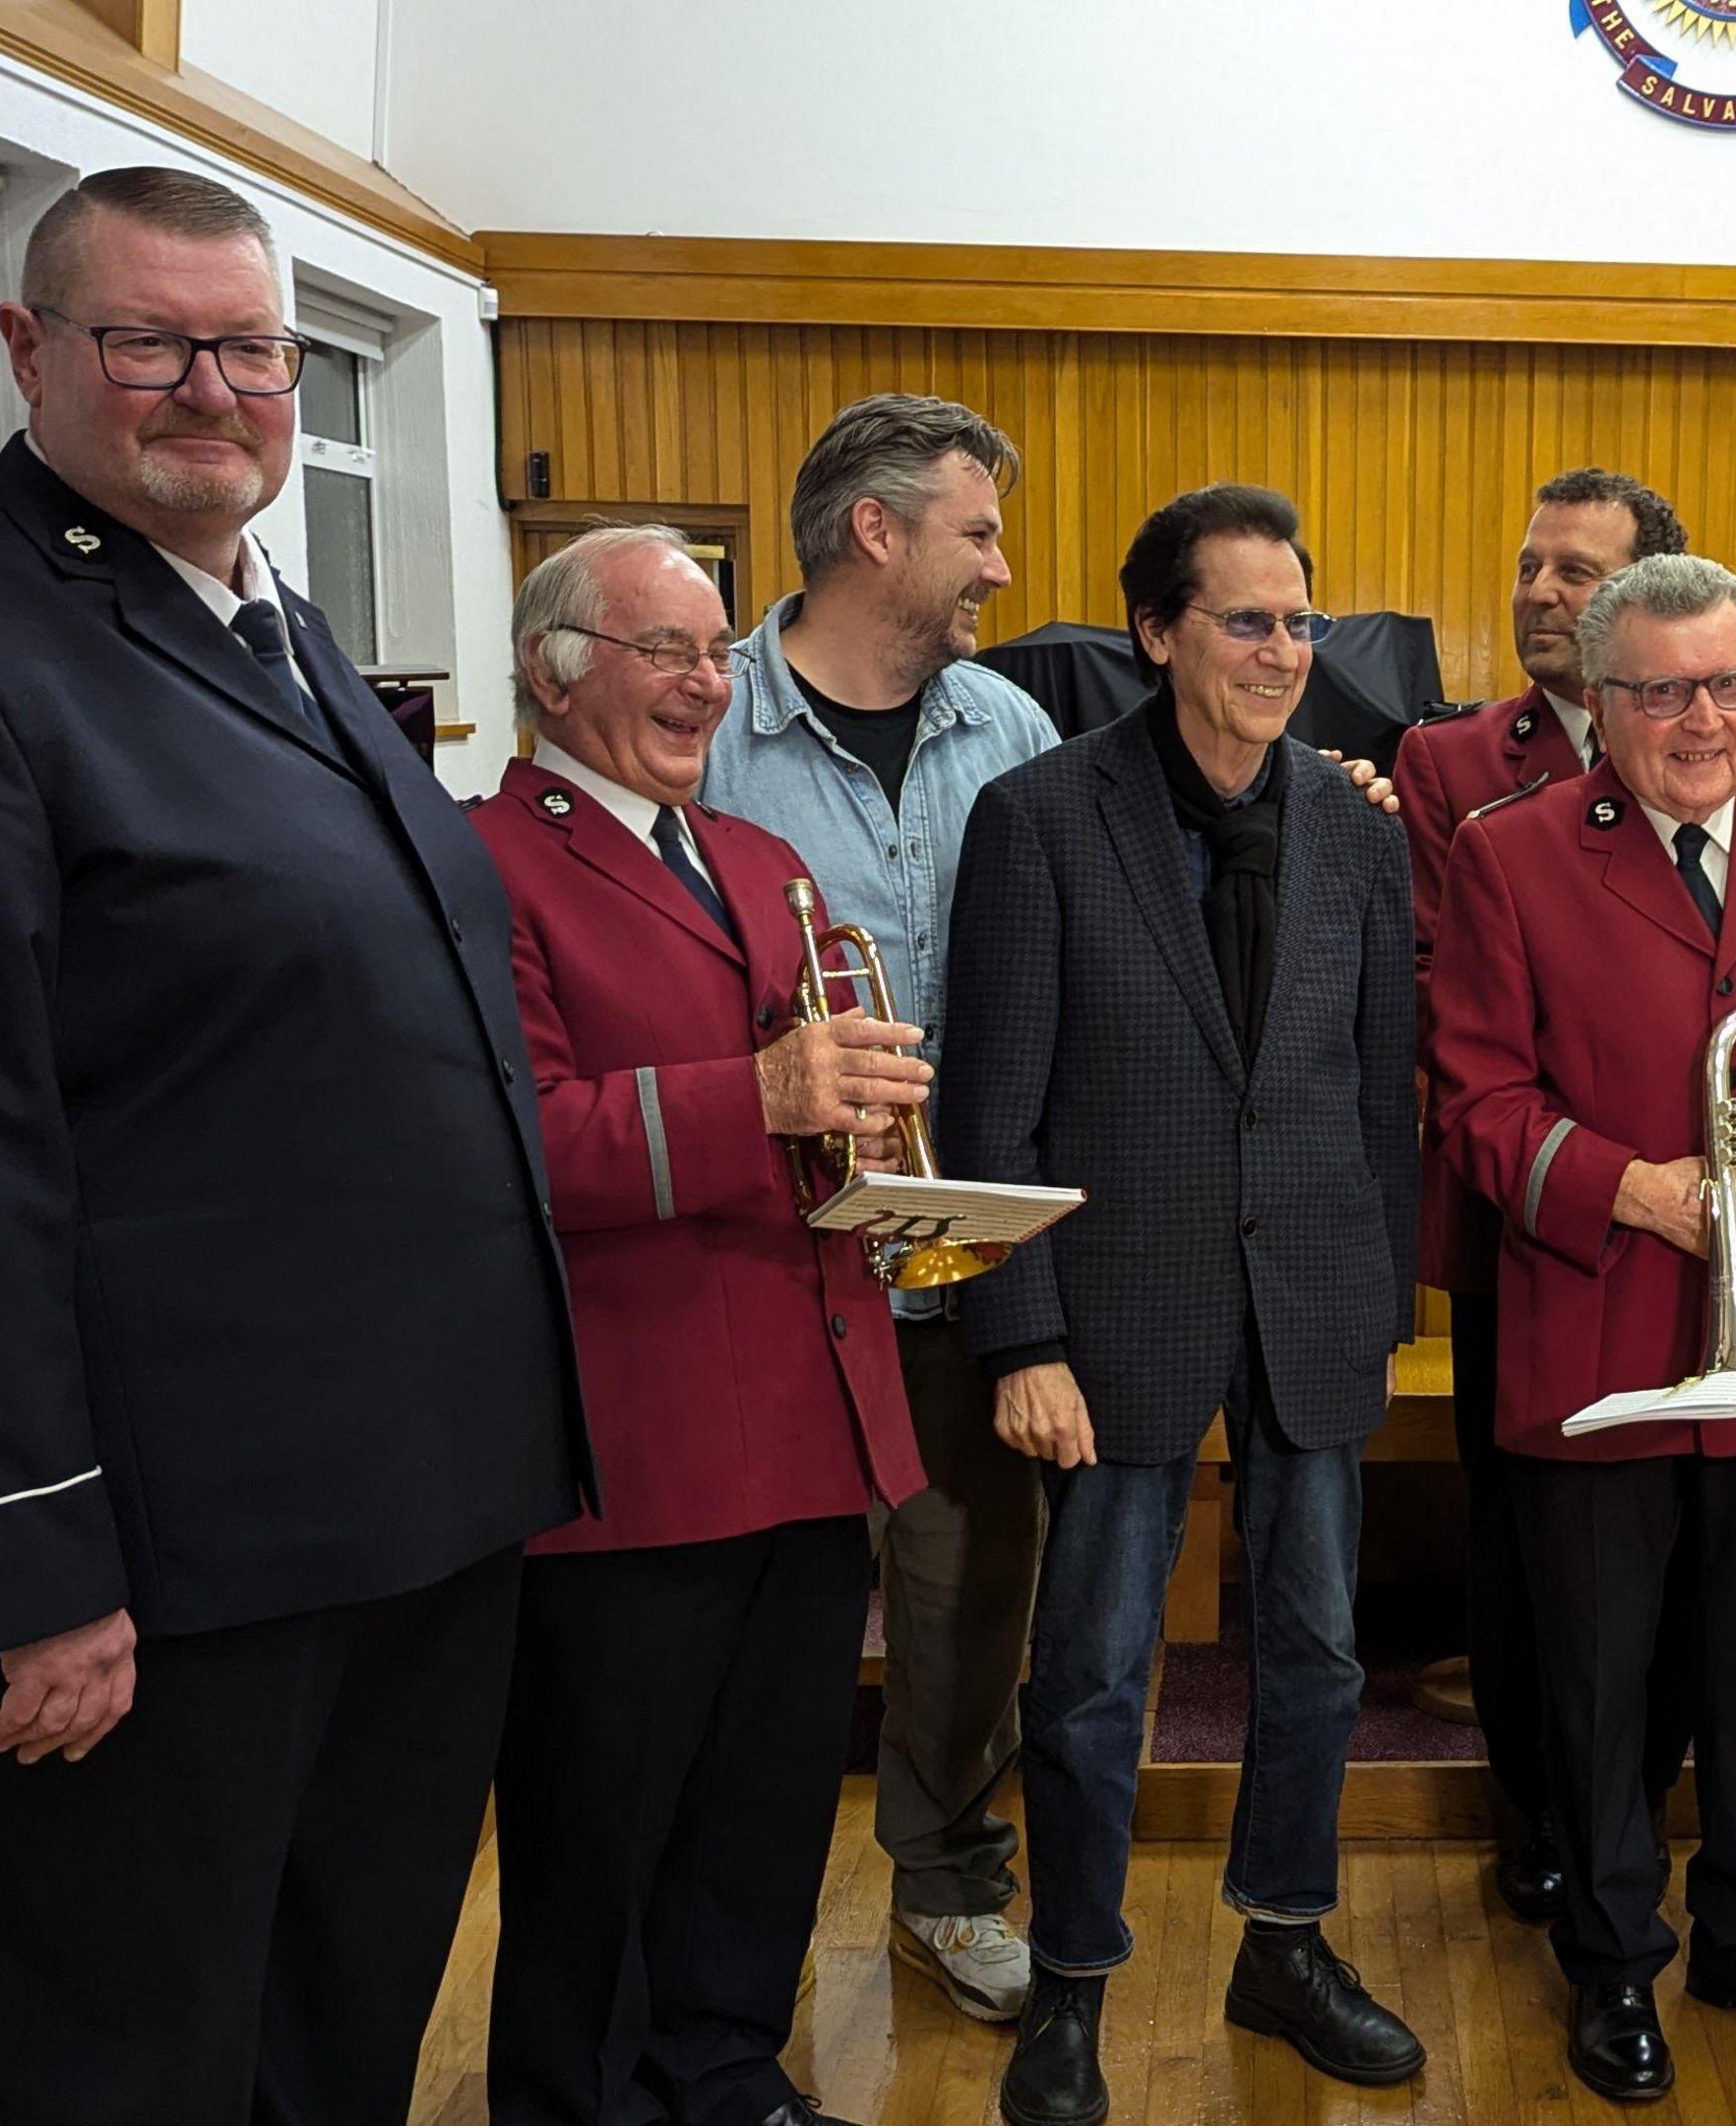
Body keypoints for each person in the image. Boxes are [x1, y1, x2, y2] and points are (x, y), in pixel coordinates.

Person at [0, 165, 585, 2119]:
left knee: (331, 2033)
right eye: (152, 341)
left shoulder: (271, 627)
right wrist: (27, 1561)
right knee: (120, 2068)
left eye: (255, 348)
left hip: (387, 1517)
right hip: (151, 1568)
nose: (216, 389)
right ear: (26, 350)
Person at [940, 484, 1424, 2126]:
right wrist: (1022, 1337)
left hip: (1309, 1300)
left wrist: (1377, 1301)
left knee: (1322, 1656)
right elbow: (990, 1112)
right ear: (1158, 633)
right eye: (1246, 621)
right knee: (1085, 1672)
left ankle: (1283, 1942)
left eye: (1301, 621)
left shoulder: (1358, 824)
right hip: (1111, 1314)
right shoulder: (1039, 817)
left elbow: (1379, 1093)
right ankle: (1072, 1978)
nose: (1284, 652)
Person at [1430, 552, 1736, 2103]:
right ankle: (1610, 1956)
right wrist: (1641, 1189)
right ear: (1600, 696)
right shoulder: (1508, 852)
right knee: (1599, 1671)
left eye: (1729, 685)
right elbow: (1477, 1105)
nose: (1702, 720)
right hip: (1599, 1324)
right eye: (1661, 692)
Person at [472, 526, 932, 2126]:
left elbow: (797, 1121)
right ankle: (576, 2102)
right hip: (638, 1444)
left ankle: (725, 2074)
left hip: (810, 1419)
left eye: (718, 652)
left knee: (764, 1804)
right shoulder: (486, 860)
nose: (704, 684)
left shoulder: (760, 864)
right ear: (556, 671)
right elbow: (510, 1144)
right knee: (602, 1826)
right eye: (665, 650)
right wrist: (769, 1097)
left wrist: (874, 1140)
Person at [703, 392, 1061, 2025]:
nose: (999, 563)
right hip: (759, 1260)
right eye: (975, 530)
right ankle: (717, 1943)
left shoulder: (1015, 735)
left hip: (961, 1246)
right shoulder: (703, 726)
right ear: (878, 530)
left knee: (971, 1592)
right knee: (754, 1620)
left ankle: (948, 1884)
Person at [1392, 467, 1701, 1924]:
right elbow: (1453, 996)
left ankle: (1639, 1805)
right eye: (1530, 567)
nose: (1540, 594)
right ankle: (1547, 1822)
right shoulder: (1453, 764)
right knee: (1525, 1548)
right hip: (1527, 1210)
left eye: (1576, 573)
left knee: (1680, 1547)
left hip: (1701, 1226)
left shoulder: (1724, 752)